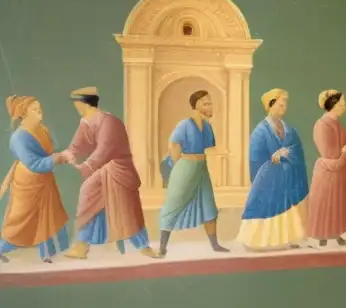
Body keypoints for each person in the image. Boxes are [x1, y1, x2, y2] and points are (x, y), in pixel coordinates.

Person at [62, 87, 158, 259]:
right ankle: (81, 245)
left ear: (84, 102)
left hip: (118, 168)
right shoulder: (86, 121)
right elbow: (77, 145)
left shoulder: (109, 121)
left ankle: (143, 246)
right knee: (92, 201)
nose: (75, 106)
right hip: (103, 170)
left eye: (76, 102)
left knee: (125, 208)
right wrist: (69, 154)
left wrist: (85, 167)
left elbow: (105, 150)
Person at [237, 88, 309, 250]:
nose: (284, 105)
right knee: (265, 208)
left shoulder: (290, 130)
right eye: (280, 102)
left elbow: (297, 150)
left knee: (286, 210)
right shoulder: (260, 131)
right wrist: (272, 159)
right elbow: (255, 158)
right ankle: (258, 242)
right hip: (268, 180)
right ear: (270, 105)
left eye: (285, 103)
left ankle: (285, 240)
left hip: (286, 179)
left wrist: (287, 152)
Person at [158, 89, 228, 256]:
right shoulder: (185, 124)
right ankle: (162, 248)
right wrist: (177, 168)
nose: (210, 106)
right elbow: (174, 144)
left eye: (210, 103)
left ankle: (215, 245)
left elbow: (210, 147)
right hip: (186, 166)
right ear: (196, 106)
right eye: (206, 103)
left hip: (201, 168)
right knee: (173, 205)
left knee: (209, 205)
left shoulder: (207, 126)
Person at [0, 96, 70, 264]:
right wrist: (58, 158)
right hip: (28, 183)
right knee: (23, 222)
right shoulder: (19, 138)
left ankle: (46, 254)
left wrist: (65, 155)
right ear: (24, 114)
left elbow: (52, 151)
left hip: (44, 181)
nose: (39, 111)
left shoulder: (43, 129)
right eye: (34, 109)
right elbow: (34, 163)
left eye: (40, 108)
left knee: (47, 216)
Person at [307, 90, 346, 246]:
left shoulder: (337, 123)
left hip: (340, 171)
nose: (344, 106)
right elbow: (328, 152)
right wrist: (343, 153)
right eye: (341, 103)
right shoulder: (322, 125)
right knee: (326, 204)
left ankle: (335, 233)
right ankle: (323, 237)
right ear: (333, 104)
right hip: (328, 171)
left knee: (337, 204)